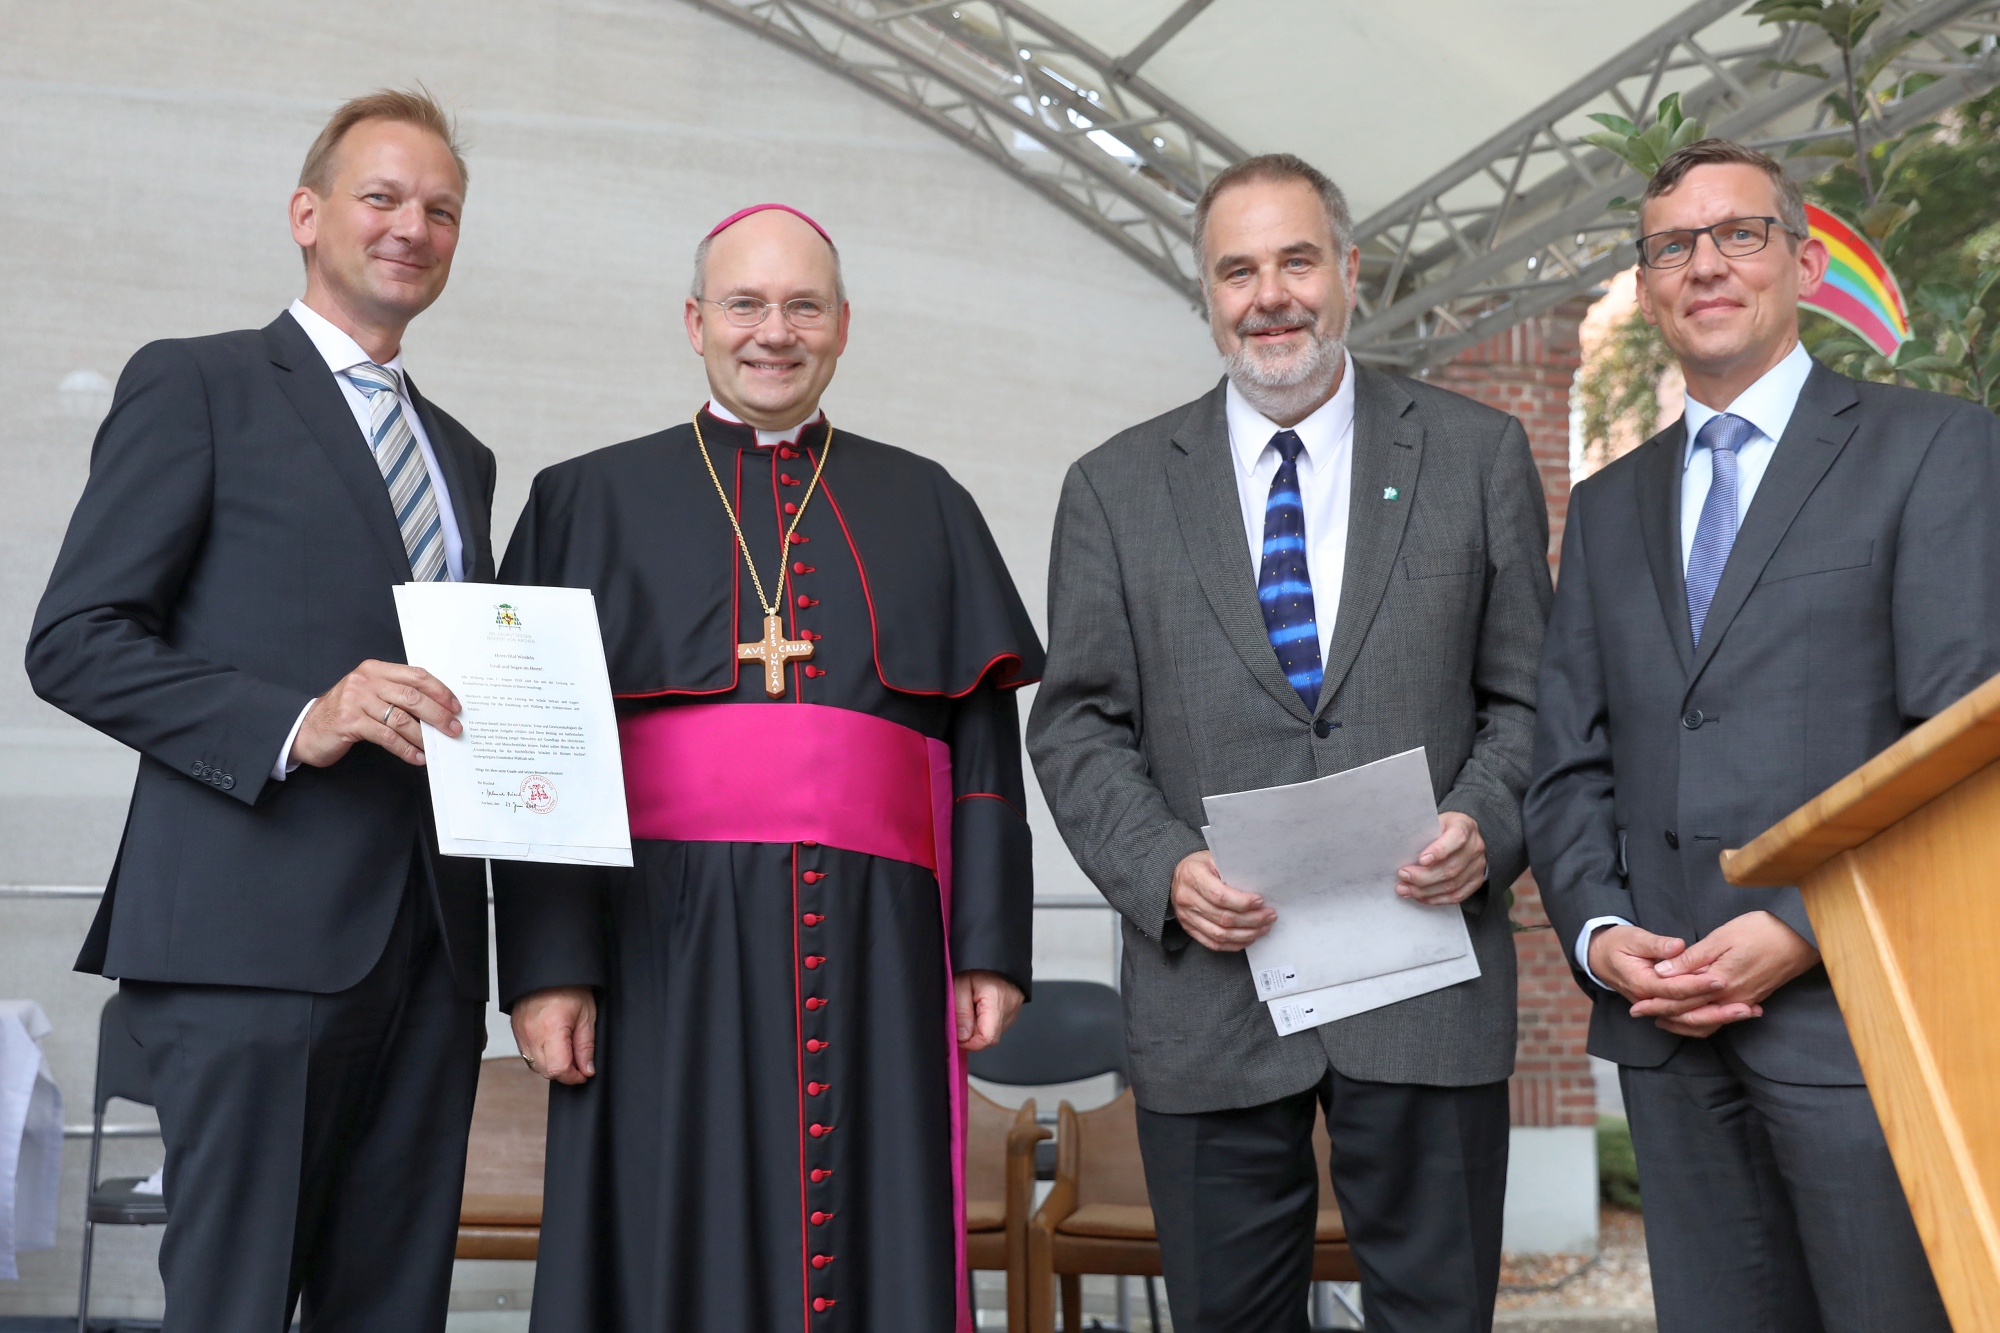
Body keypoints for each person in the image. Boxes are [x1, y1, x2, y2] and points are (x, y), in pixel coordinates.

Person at [1027, 153, 1552, 1333]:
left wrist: (1487, 822)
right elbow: (1077, 724)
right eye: (1236, 270)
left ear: (1349, 273)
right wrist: (1162, 868)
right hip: (1210, 1001)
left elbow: (1531, 700)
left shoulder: (1476, 456)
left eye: (1295, 260)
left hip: (1425, 983)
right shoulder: (1113, 488)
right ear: (1206, 295)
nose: (1269, 295)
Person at [495, 202, 1042, 1333]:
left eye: (801, 306)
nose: (772, 331)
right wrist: (548, 963)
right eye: (744, 304)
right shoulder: (585, 499)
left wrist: (986, 943)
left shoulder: (926, 501)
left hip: (877, 945)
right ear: (694, 321)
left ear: (843, 326)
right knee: (658, 1224)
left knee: (875, 1222)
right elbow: (529, 751)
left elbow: (982, 749)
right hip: (655, 942)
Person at [25, 90, 496, 1332]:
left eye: (439, 209)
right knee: (235, 1303)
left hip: (430, 953)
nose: (412, 227)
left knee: (391, 1307)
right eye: (381, 197)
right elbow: (73, 642)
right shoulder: (199, 385)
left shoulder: (462, 455)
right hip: (248, 945)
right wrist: (299, 717)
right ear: (306, 213)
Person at [1525, 138, 2000, 1333]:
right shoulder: (1603, 504)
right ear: (1644, 288)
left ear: (1799, 259)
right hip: (1666, 1039)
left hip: (1856, 1027)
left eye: (1738, 233)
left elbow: (1960, 751)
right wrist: (1599, 931)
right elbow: (1567, 761)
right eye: (1672, 245)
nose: (1705, 265)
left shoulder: (1930, 449)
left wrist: (1800, 926)